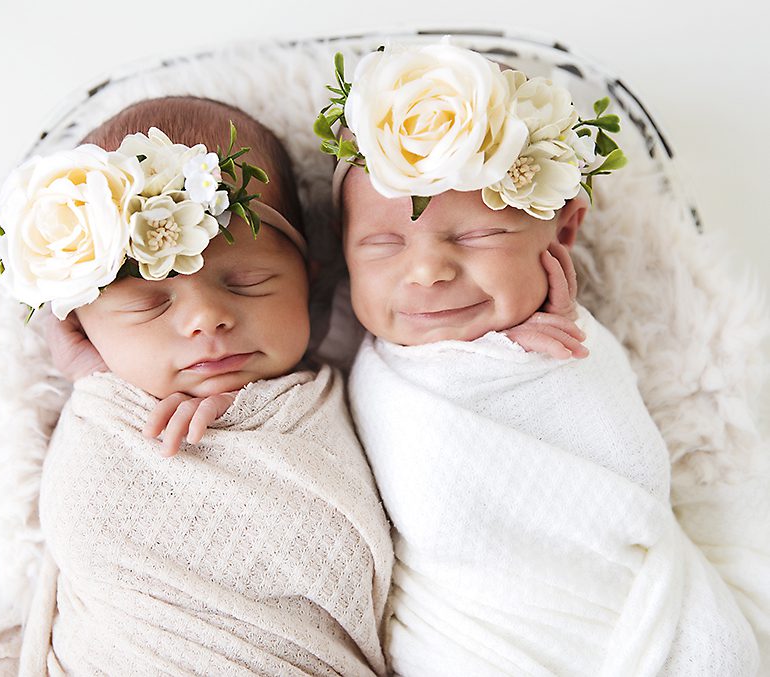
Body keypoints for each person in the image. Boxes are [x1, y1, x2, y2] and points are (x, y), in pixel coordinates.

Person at [0, 96, 395, 676]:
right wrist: (92, 371)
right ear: (81, 323)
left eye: (248, 282)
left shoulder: (353, 373)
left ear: (309, 280)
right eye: (149, 303)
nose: (205, 319)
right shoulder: (105, 400)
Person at [323, 41, 761, 675]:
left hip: (622, 619)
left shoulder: (572, 351)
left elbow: (635, 479)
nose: (426, 270)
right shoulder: (357, 366)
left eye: (477, 235)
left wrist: (545, 372)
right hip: (471, 640)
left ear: (564, 232)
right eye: (382, 244)